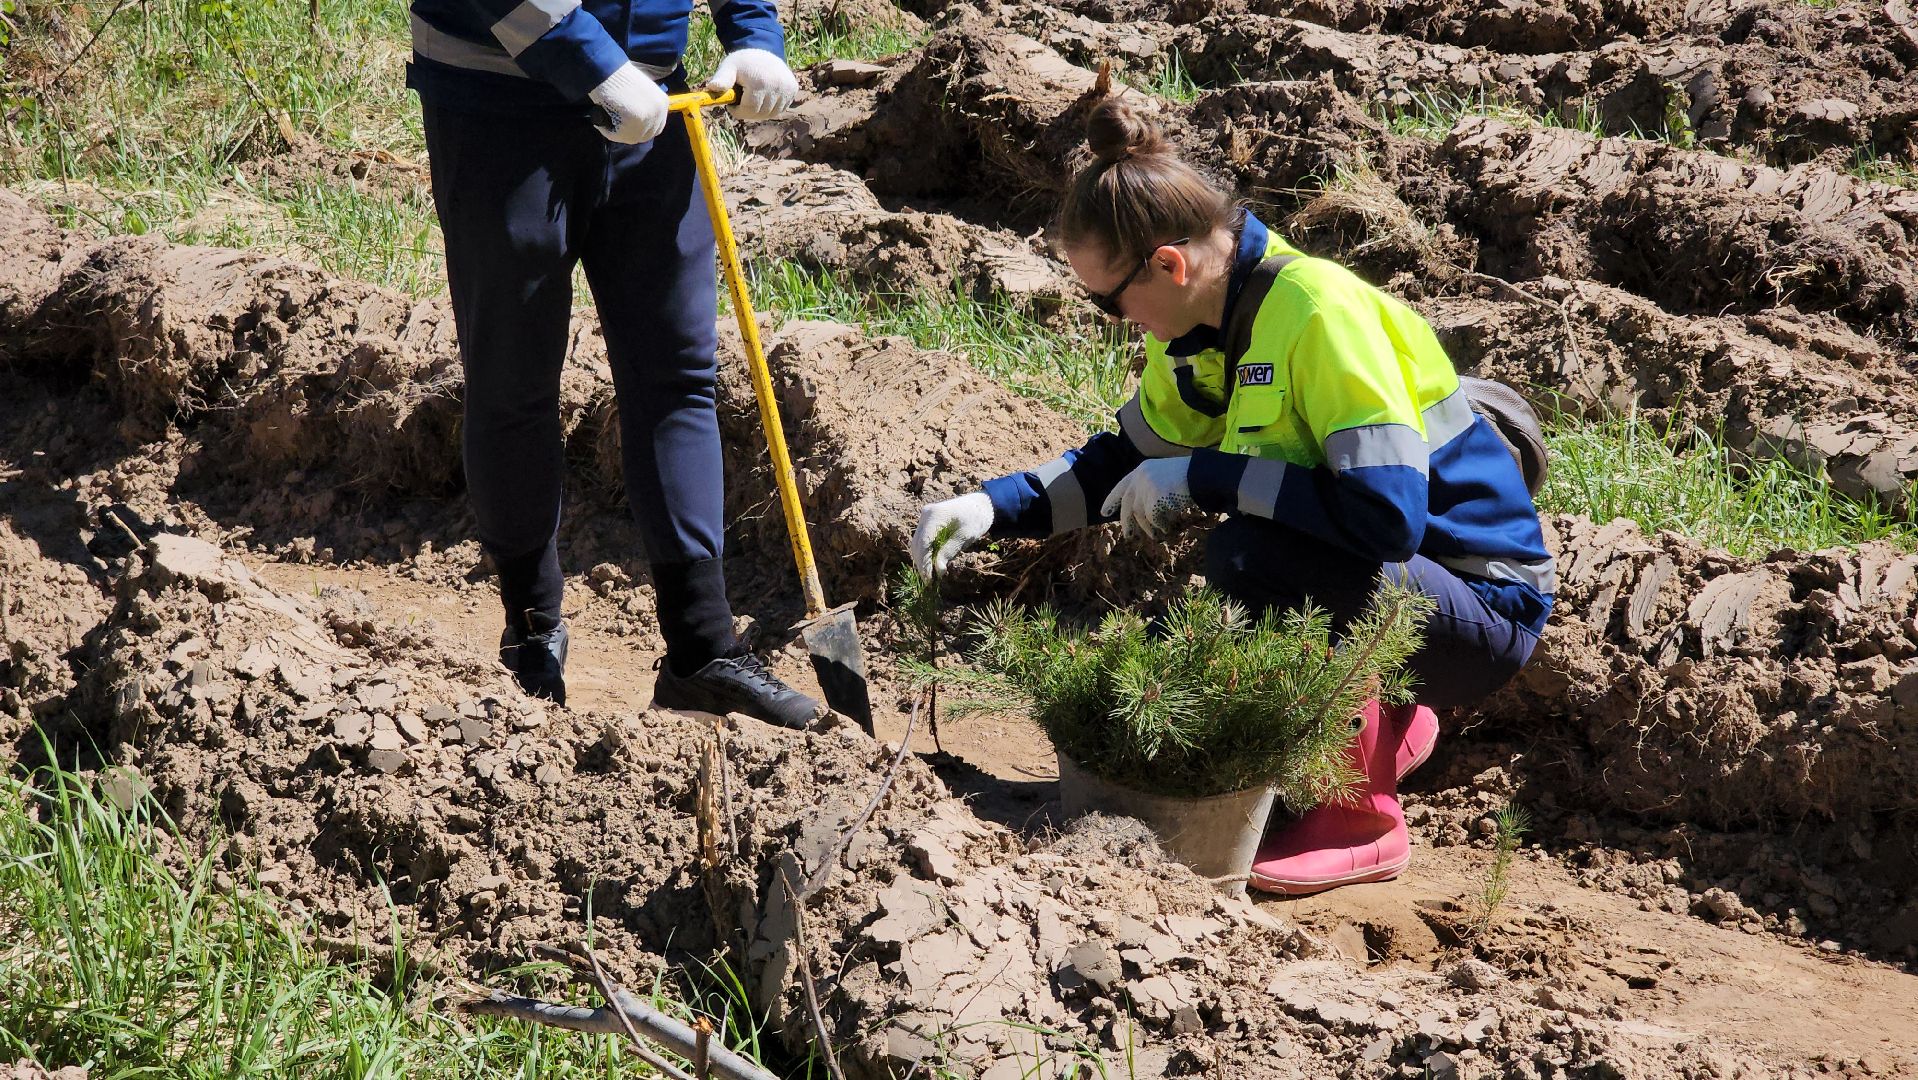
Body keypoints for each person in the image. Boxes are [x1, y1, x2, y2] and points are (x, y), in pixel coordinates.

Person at [911, 97, 1554, 896]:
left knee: (1252, 553)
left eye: (1108, 303)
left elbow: (1387, 521)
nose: (1120, 325)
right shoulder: (1200, 336)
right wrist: (987, 507)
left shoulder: (1314, 312)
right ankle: (1386, 725)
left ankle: (1359, 817)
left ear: (1168, 265)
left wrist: (1206, 475)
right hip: (1416, 592)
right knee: (1259, 545)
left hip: (1484, 612)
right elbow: (1114, 465)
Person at [408, 0, 820, 728]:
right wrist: (590, 62)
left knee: (678, 373)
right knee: (514, 377)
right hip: (499, 102)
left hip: (654, 105)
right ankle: (531, 638)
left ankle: (702, 650)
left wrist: (753, 32)